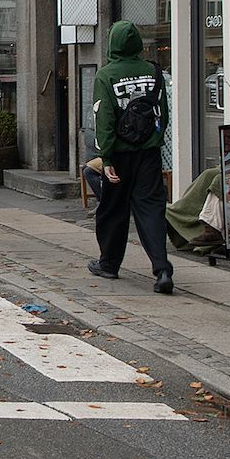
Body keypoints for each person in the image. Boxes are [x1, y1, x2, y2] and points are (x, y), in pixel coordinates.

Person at [90, 20, 176, 294]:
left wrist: (106, 158)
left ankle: (109, 264)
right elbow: (162, 111)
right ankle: (162, 269)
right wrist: (156, 143)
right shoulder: (153, 71)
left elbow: (103, 119)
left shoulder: (106, 75)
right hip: (148, 152)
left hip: (119, 154)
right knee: (151, 209)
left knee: (112, 210)